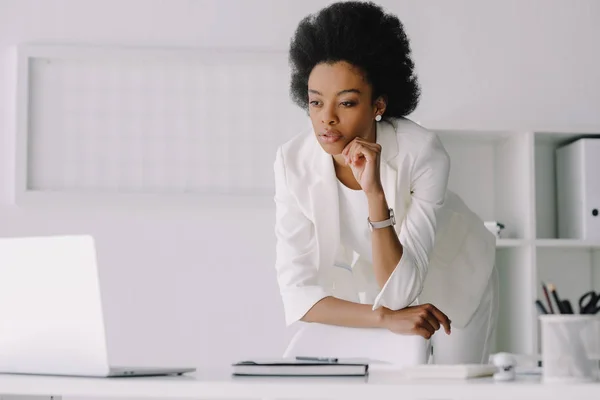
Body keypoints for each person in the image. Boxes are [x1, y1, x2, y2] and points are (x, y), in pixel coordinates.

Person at [273, 1, 498, 364]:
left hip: (457, 277)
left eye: (345, 103)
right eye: (316, 103)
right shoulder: (292, 164)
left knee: (454, 387)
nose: (326, 120)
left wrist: (374, 192)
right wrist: (383, 317)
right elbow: (297, 293)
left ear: (378, 104)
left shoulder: (421, 152)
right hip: (381, 286)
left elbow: (401, 290)